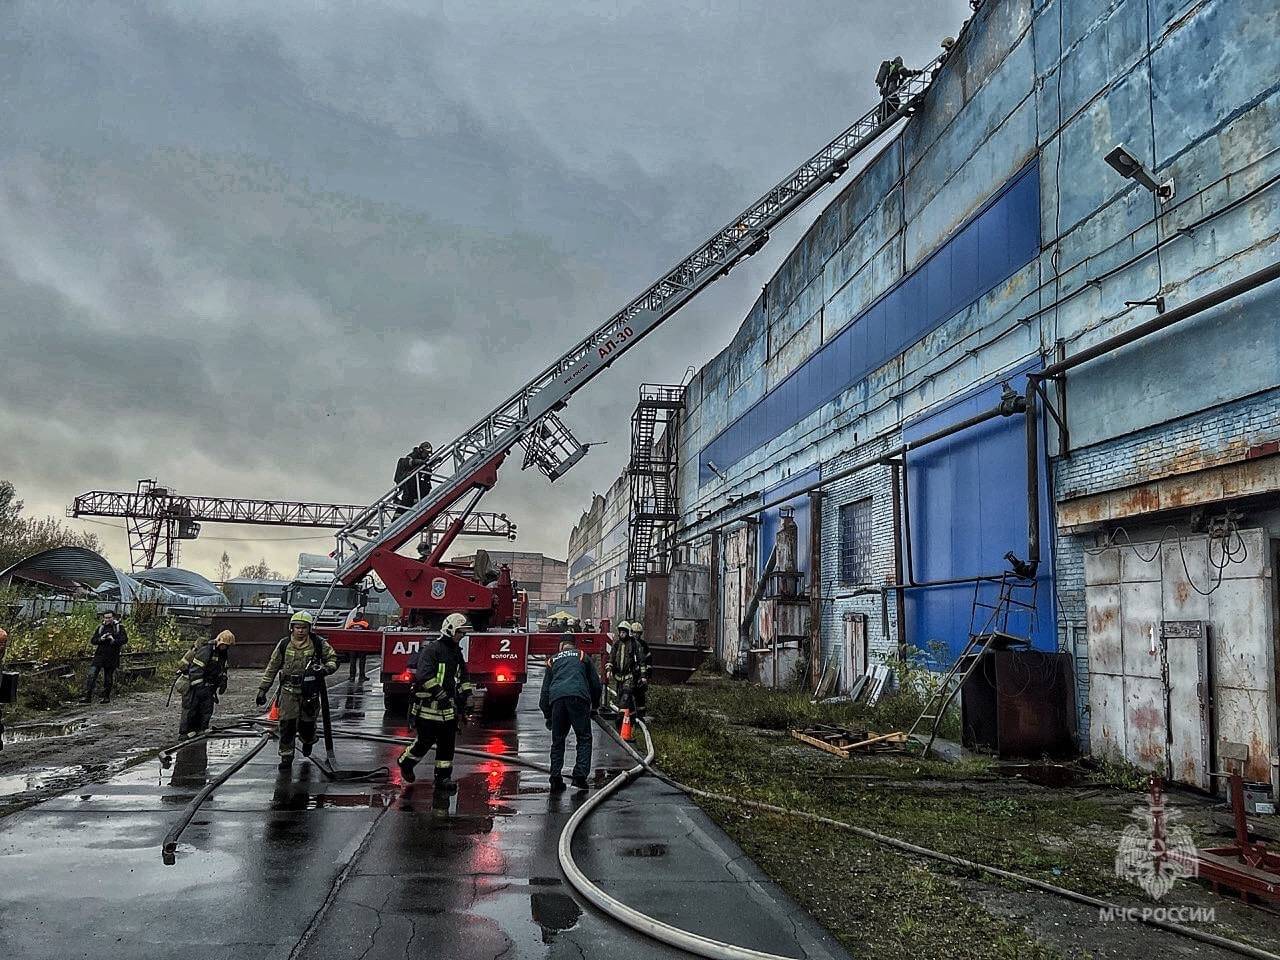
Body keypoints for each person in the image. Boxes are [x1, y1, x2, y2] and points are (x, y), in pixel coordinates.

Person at [396, 612, 475, 791]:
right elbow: (424, 675)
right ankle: (406, 763)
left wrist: (468, 695)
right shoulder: (432, 650)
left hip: (448, 710)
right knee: (424, 742)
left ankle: (443, 779)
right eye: (460, 632)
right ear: (450, 629)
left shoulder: (456, 653)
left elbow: (463, 676)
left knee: (447, 746)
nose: (462, 636)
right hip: (428, 709)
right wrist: (440, 694)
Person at [256, 611, 338, 770]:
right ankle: (286, 755)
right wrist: (262, 690)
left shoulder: (318, 643)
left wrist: (325, 670)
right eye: (297, 627)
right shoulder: (284, 644)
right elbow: (272, 667)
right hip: (288, 691)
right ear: (291, 628)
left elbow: (333, 659)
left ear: (309, 629)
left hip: (310, 692)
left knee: (307, 724)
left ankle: (308, 741)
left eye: (304, 627)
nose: (300, 631)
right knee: (287, 724)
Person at [540, 633, 602, 792]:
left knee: (558, 741)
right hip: (578, 698)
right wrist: (594, 706)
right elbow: (596, 685)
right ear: (574, 645)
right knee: (584, 738)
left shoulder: (552, 660)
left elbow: (545, 692)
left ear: (561, 646)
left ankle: (555, 778)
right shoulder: (583, 656)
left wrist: (548, 715)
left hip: (557, 701)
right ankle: (579, 778)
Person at [176, 630, 236, 738]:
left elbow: (222, 668)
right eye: (224, 645)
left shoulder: (222, 653)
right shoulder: (206, 650)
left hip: (208, 685)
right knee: (191, 708)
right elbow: (196, 670)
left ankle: (201, 729)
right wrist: (199, 686)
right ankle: (185, 733)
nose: (225, 648)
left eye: (228, 646)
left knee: (207, 708)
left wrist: (223, 681)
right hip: (194, 685)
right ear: (219, 641)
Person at [608, 620, 652, 721]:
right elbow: (611, 657)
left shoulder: (635, 644)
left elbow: (642, 661)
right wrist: (609, 669)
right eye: (620, 632)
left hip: (630, 676)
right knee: (621, 698)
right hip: (619, 677)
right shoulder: (617, 644)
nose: (621, 634)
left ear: (628, 632)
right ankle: (631, 718)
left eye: (624, 632)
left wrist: (643, 676)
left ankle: (621, 720)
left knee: (626, 697)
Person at [84, 610, 128, 703]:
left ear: (113, 618)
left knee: (108, 678)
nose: (107, 619)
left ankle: (106, 697)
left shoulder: (119, 628)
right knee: (92, 675)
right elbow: (93, 640)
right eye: (106, 617)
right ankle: (87, 696)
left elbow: (124, 640)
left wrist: (113, 640)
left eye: (109, 617)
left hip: (112, 656)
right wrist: (101, 638)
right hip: (99, 655)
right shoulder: (101, 628)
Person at [394, 441, 433, 511]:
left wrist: (435, 461)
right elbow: (406, 462)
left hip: (414, 482)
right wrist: (416, 461)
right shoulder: (412, 456)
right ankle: (400, 511)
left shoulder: (423, 458)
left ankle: (417, 500)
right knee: (407, 499)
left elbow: (426, 467)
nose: (427, 455)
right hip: (406, 480)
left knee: (426, 485)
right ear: (421, 450)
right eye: (426, 453)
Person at [344, 607, 371, 683]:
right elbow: (370, 634)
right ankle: (361, 677)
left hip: (352, 646)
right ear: (362, 617)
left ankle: (352, 677)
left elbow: (346, 633)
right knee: (362, 662)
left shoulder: (350, 624)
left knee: (352, 662)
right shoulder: (365, 624)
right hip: (362, 646)